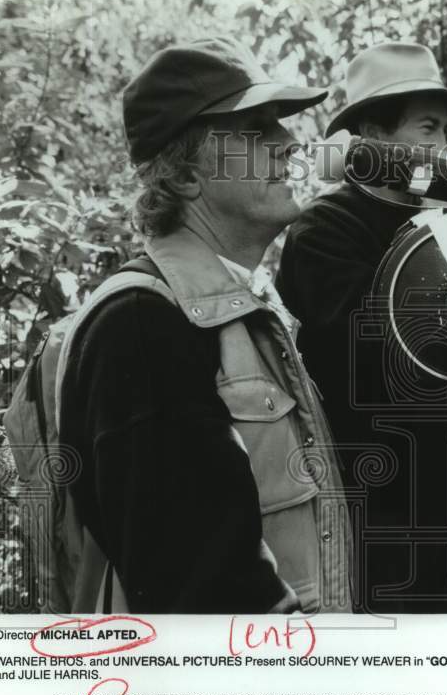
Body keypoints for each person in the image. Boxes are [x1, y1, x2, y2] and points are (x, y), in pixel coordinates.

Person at [58, 37, 352, 614]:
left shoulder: (236, 307)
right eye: (256, 131)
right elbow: (207, 592)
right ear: (186, 175)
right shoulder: (140, 326)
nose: (290, 145)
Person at [277, 43, 447, 614]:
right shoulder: (324, 232)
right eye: (428, 128)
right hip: (382, 513)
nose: (444, 149)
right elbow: (384, 348)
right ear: (370, 136)